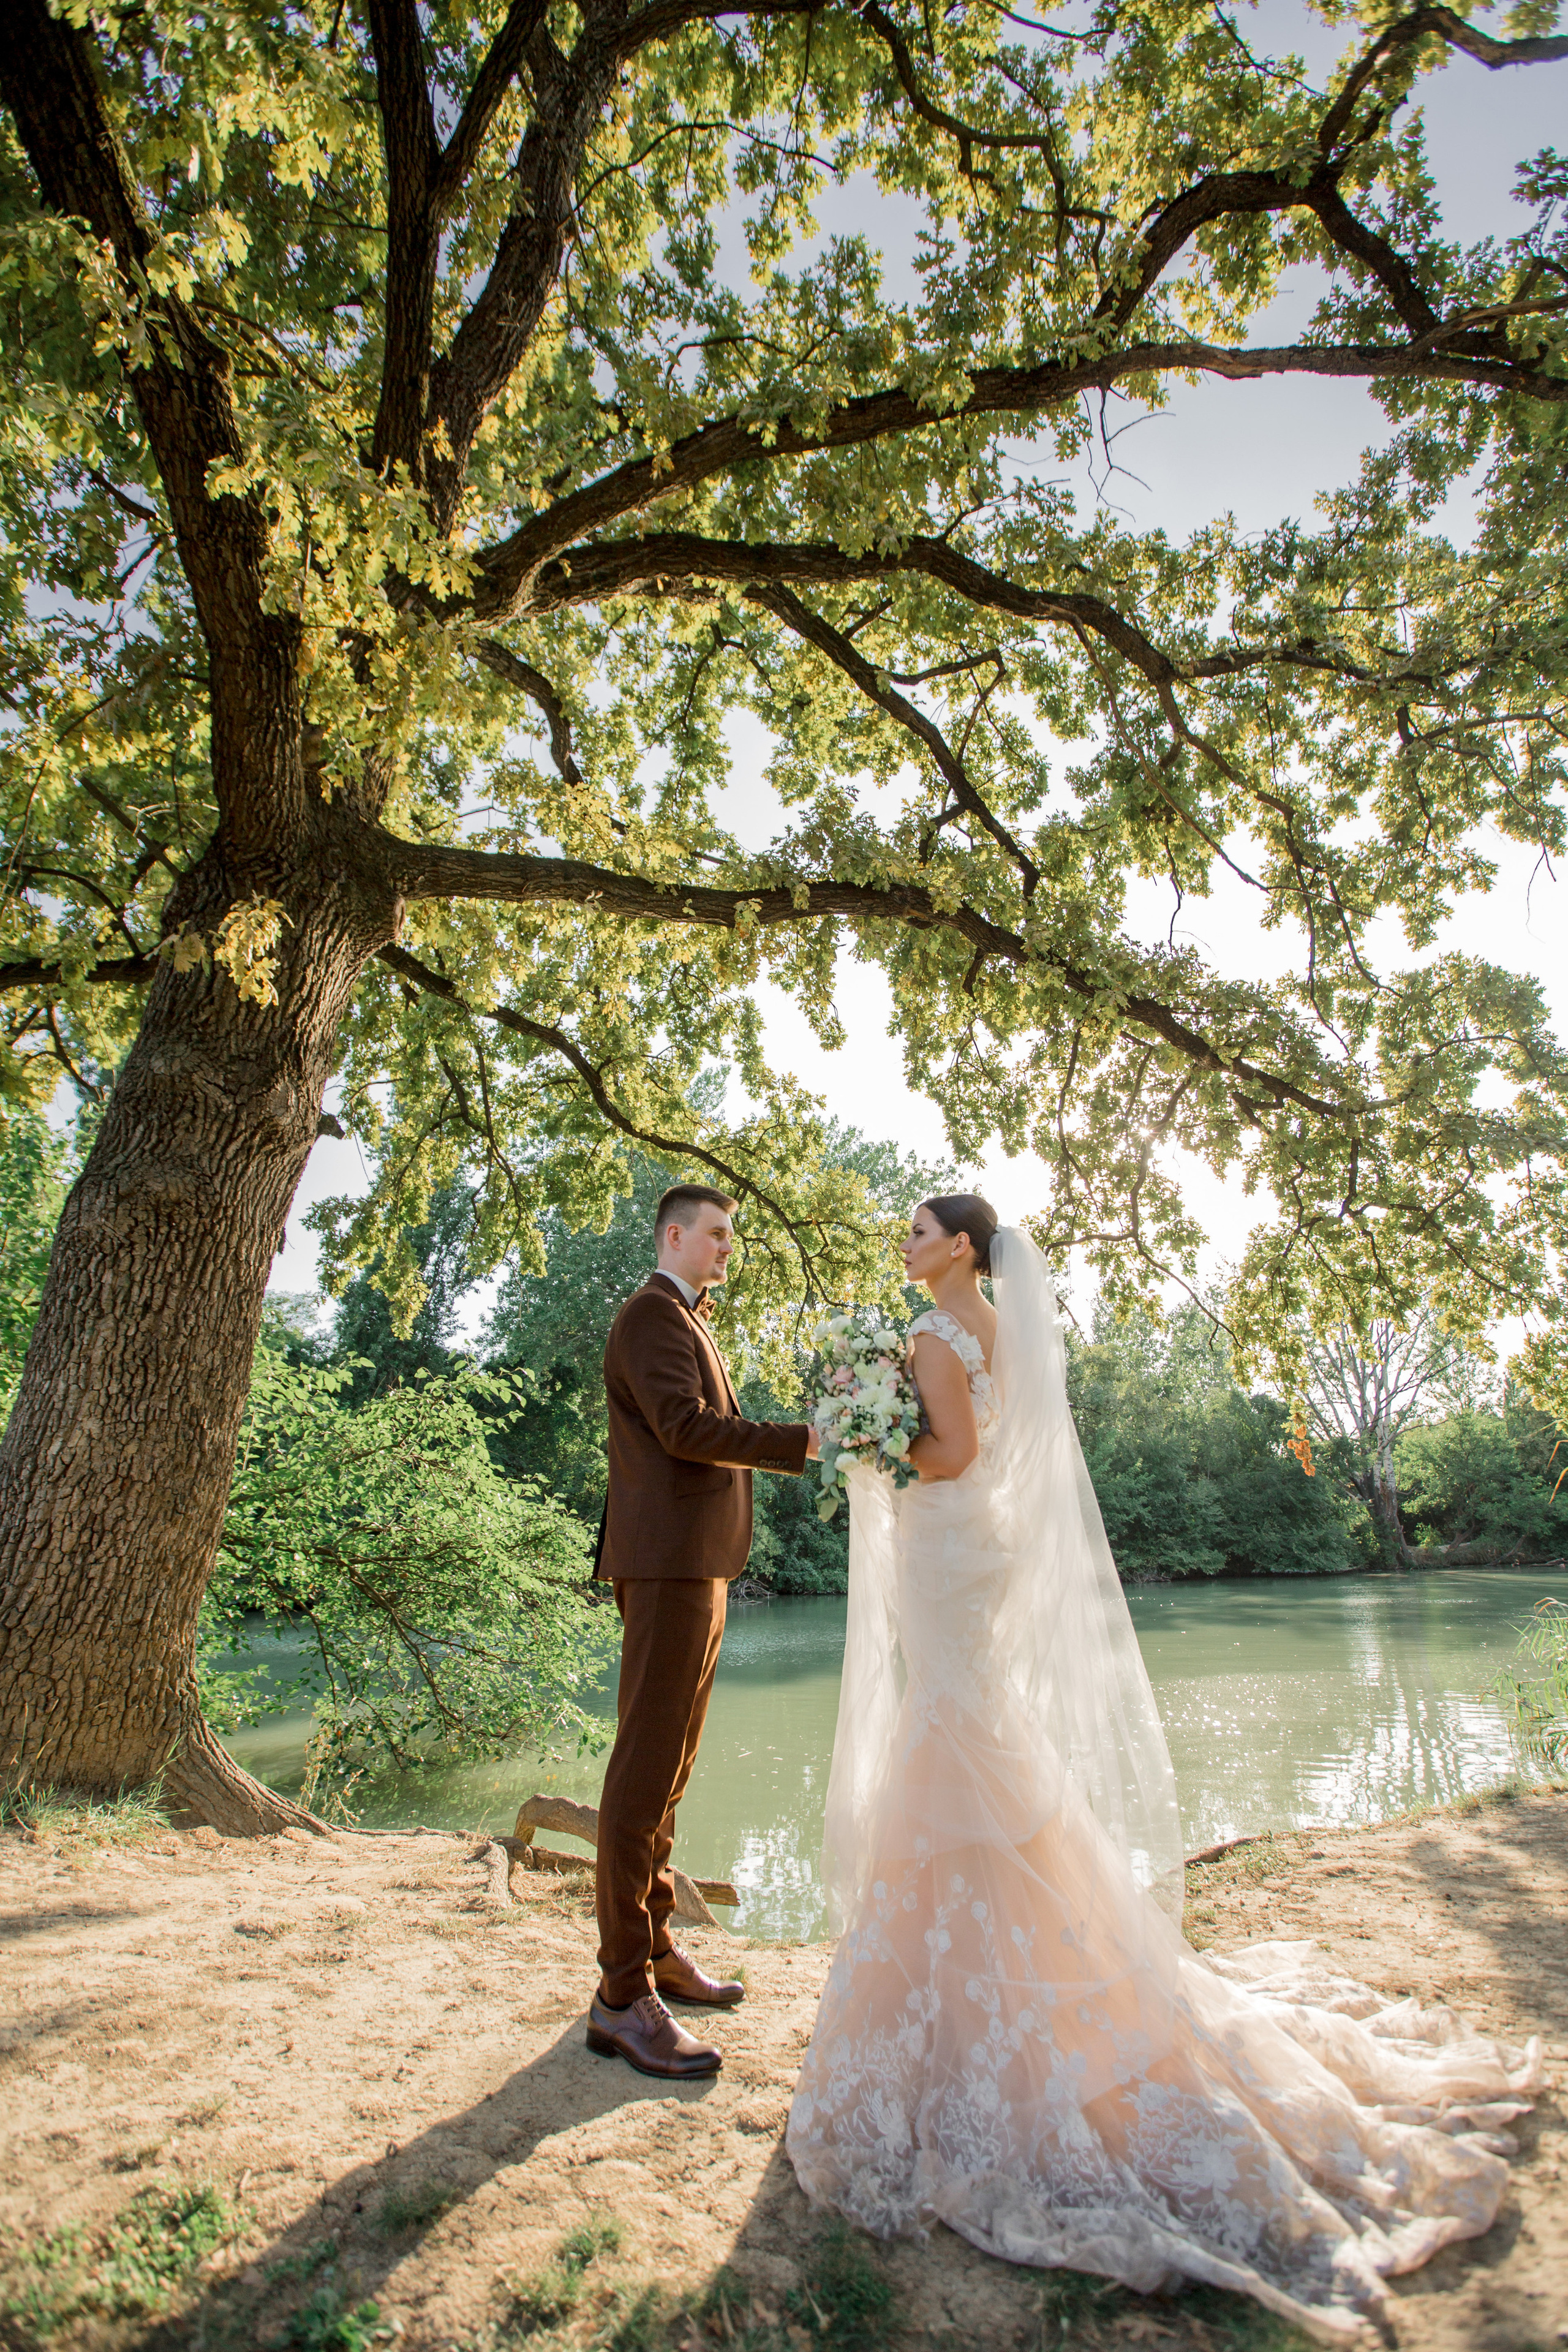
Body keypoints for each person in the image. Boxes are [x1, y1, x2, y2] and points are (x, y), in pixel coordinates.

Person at [786, 1197, 1542, 2340]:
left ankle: (963, 1993)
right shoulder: (995, 1330)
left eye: (917, 1230)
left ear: (959, 1246)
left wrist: (871, 1440)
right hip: (973, 1554)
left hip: (949, 1546)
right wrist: (883, 1424)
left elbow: (957, 1452)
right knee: (971, 1729)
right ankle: (1011, 1949)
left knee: (950, 1729)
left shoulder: (940, 1339)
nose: (903, 1242)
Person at [588, 1183, 819, 2081]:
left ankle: (654, 1951)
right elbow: (685, 1431)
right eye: (716, 1235)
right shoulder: (650, 1316)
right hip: (668, 1567)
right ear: (674, 1236)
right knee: (643, 1773)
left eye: (732, 1236)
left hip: (700, 1566)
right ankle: (619, 1997)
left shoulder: (688, 1317)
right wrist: (809, 1441)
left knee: (673, 1775)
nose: (728, 1247)